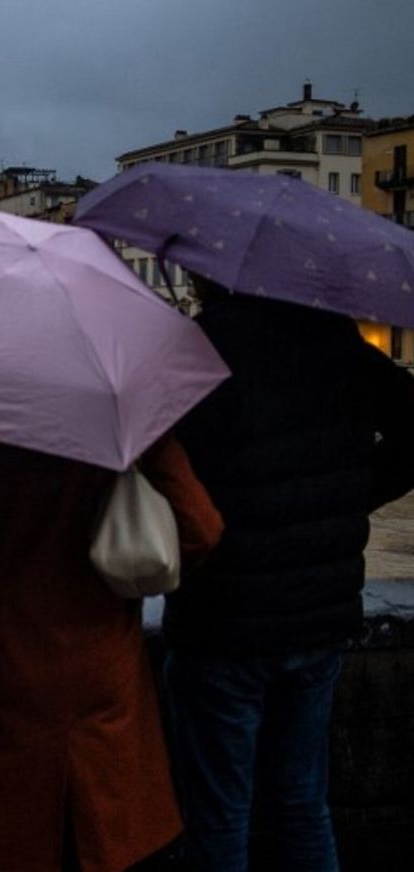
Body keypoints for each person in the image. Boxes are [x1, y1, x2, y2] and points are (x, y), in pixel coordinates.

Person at [164, 284, 414, 871]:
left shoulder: (205, 346)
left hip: (223, 620)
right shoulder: (337, 341)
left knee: (222, 815)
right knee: (302, 805)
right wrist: (351, 497)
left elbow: (171, 474)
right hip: (319, 619)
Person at [0, 430, 221, 872]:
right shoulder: (123, 419)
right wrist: (120, 576)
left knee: (4, 837)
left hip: (3, 663)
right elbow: (200, 529)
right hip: (99, 657)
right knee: (108, 833)